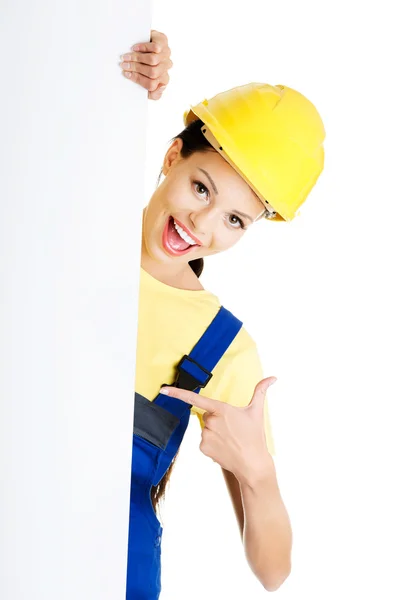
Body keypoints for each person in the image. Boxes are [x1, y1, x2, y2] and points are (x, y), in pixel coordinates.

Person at [118, 30, 325, 599]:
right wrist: (117, 49)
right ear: (172, 156)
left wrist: (255, 469)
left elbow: (273, 569)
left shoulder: (222, 348)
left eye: (235, 220)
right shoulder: (62, 240)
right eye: (201, 187)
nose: (202, 227)